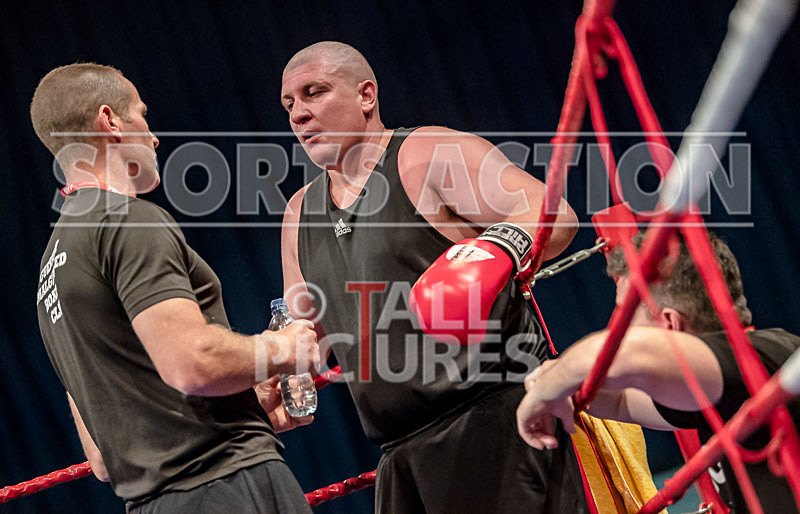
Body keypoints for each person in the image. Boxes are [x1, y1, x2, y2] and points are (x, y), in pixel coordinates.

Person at [280, 41, 592, 513]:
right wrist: (270, 371)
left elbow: (552, 213)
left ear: (366, 95)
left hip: (499, 422)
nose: (298, 114)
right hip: (398, 456)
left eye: (314, 92)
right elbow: (305, 332)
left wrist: (490, 253)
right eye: (289, 104)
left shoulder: (425, 153)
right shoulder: (298, 213)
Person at [31, 63, 319, 513]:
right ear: (110, 122)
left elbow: (104, 459)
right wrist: (283, 348)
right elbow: (192, 363)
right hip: (227, 486)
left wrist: (245, 400)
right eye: (142, 115)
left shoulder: (52, 266)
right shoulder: (128, 221)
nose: (154, 136)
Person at [516, 230, 800, 513]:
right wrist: (558, 382)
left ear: (669, 324)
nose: (615, 327)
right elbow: (620, 401)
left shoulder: (760, 360)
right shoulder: (713, 386)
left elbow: (628, 354)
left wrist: (542, 392)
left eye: (625, 314)